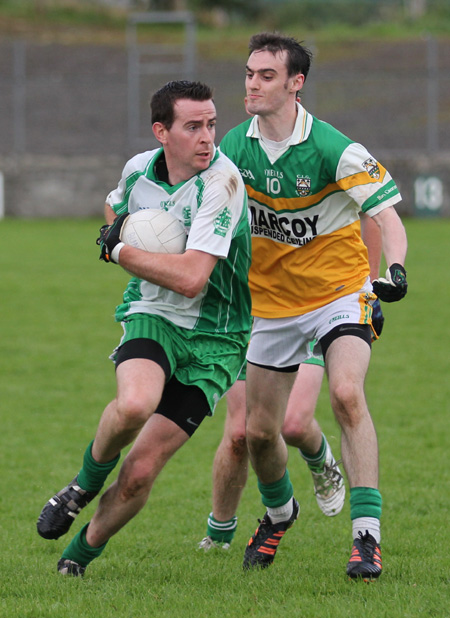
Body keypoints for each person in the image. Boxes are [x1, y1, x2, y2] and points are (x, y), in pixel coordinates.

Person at [36, 80, 252, 577]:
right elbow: (115, 210)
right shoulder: (139, 169)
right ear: (162, 132)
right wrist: (119, 233)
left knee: (139, 473)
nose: (208, 138)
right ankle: (83, 484)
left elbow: (195, 279)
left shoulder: (222, 183)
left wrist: (121, 251)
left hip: (216, 341)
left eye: (212, 125)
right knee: (134, 403)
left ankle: (78, 557)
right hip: (153, 312)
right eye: (193, 126)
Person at [216, 33, 408, 580]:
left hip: (339, 294)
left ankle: (366, 538)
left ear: (295, 84)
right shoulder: (234, 146)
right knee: (259, 433)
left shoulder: (334, 148)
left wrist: (392, 271)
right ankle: (280, 514)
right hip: (271, 307)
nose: (252, 83)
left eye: (266, 75)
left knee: (347, 394)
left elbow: (389, 217)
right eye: (249, 73)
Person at [198, 216, 384, 551]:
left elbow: (375, 212)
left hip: (315, 301)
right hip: (248, 308)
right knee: (242, 432)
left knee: (295, 423)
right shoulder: (227, 166)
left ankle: (320, 458)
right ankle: (220, 533)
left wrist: (368, 285)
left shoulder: (328, 165)